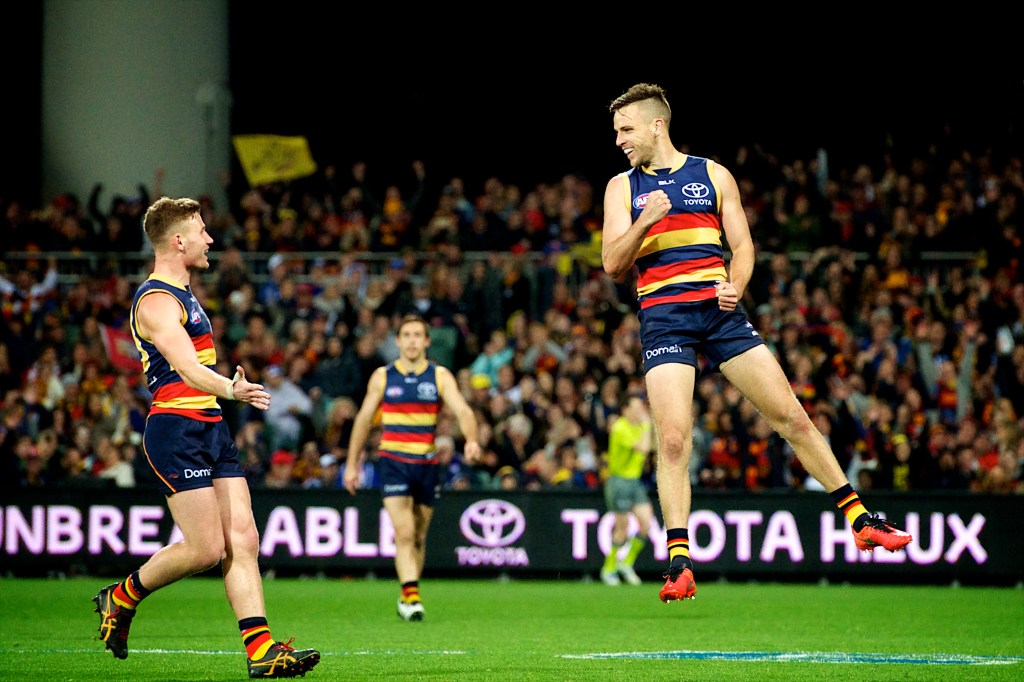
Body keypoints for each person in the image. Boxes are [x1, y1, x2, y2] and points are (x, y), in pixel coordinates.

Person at [600, 84, 913, 604]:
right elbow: (613, 263)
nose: (619, 140)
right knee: (673, 441)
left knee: (791, 416)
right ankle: (680, 563)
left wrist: (736, 285)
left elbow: (743, 246)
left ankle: (861, 521)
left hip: (720, 314)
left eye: (626, 129)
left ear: (658, 125)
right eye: (616, 132)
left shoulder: (713, 175)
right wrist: (645, 221)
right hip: (664, 318)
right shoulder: (621, 188)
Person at [90, 197, 319, 678]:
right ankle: (121, 596)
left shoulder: (184, 293)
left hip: (210, 426)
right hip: (177, 430)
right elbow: (187, 368)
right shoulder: (156, 300)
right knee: (206, 548)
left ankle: (261, 651)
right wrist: (231, 389)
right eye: (201, 230)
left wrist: (223, 397)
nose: (209, 239)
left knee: (244, 539)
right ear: (178, 241)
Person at [344, 314, 481, 621]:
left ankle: (407, 595)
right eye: (406, 335)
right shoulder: (383, 376)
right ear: (398, 340)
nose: (412, 341)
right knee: (404, 532)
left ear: (427, 341)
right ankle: (413, 595)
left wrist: (472, 440)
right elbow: (363, 420)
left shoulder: (439, 376)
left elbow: (463, 410)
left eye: (418, 335)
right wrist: (352, 465)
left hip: (427, 464)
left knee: (418, 535)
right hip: (393, 462)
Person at [600, 394, 655, 586]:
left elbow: (652, 446)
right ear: (625, 410)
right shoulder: (620, 428)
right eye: (636, 408)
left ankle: (626, 563)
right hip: (619, 481)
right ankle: (609, 568)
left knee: (646, 525)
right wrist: (647, 426)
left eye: (641, 407)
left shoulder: (638, 427)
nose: (640, 411)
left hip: (635, 481)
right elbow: (643, 448)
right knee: (622, 527)